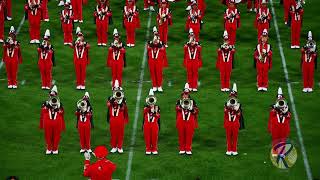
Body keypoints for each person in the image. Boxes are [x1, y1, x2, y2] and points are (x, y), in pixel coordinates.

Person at [40, 85, 65, 155]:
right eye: (51, 94)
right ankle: (49, 148)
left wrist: (57, 109)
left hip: (57, 122)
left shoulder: (59, 103)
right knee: (48, 135)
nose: (52, 95)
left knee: (57, 135)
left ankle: (55, 148)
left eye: (54, 94)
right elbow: (43, 110)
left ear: (56, 94)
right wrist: (48, 106)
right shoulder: (46, 102)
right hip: (48, 121)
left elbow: (62, 112)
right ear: (50, 94)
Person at [176, 83, 199, 155]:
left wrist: (191, 109)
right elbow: (176, 109)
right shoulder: (179, 101)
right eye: (184, 95)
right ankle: (182, 148)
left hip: (190, 121)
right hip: (181, 121)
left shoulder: (192, 102)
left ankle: (188, 148)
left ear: (189, 95)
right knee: (181, 135)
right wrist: (182, 106)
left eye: (186, 95)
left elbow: (196, 111)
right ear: (182, 95)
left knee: (189, 135)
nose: (185, 96)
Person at [106, 80, 129, 153]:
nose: (116, 91)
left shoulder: (123, 99)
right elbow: (108, 105)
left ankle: (119, 146)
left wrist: (120, 102)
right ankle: (114, 146)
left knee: (120, 132)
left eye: (117, 90)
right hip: (113, 118)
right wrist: (113, 100)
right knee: (113, 132)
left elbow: (123, 108)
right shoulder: (110, 98)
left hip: (120, 118)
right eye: (115, 90)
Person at [268, 87, 291, 154]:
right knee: (275, 140)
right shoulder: (274, 111)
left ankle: (281, 152)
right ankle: (275, 152)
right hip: (276, 128)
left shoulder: (286, 111)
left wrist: (284, 111)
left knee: (283, 140)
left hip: (284, 128)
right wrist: (276, 108)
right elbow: (272, 113)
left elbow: (288, 117)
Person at [224, 83, 244, 156]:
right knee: (228, 137)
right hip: (228, 122)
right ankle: (229, 149)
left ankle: (234, 149)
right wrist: (229, 108)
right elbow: (225, 112)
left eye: (234, 96)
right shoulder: (226, 104)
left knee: (235, 137)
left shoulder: (238, 105)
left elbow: (239, 115)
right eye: (231, 96)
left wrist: (236, 109)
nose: (232, 98)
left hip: (235, 123)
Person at [143, 89, 160, 155]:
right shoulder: (145, 107)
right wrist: (149, 108)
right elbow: (144, 112)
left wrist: (154, 112)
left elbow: (158, 116)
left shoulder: (157, 107)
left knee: (154, 137)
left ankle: (154, 148)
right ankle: (148, 148)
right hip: (147, 124)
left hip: (154, 124)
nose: (151, 101)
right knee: (147, 137)